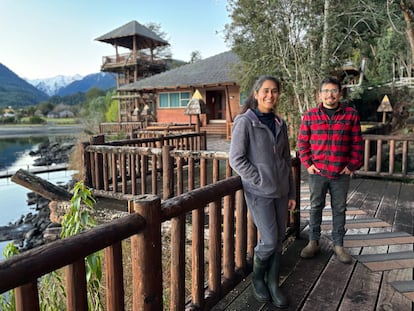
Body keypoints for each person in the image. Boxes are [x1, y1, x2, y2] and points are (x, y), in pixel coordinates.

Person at [229, 75, 296, 308]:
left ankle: (273, 282)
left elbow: (286, 160)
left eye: (274, 91)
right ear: (256, 94)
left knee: (278, 238)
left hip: (281, 191)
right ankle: (258, 278)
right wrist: (259, 179)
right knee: (268, 240)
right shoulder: (245, 121)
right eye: (265, 91)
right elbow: (236, 159)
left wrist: (292, 193)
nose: (270, 95)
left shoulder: (279, 123)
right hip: (259, 192)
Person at [297, 76, 363, 264]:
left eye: (333, 91)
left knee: (339, 208)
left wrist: (351, 166)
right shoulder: (310, 116)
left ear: (339, 93)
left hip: (340, 173)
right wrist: (308, 164)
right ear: (320, 95)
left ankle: (338, 245)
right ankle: (313, 242)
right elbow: (302, 143)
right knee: (315, 206)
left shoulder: (351, 115)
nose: (329, 95)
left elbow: (357, 143)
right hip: (317, 173)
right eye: (325, 91)